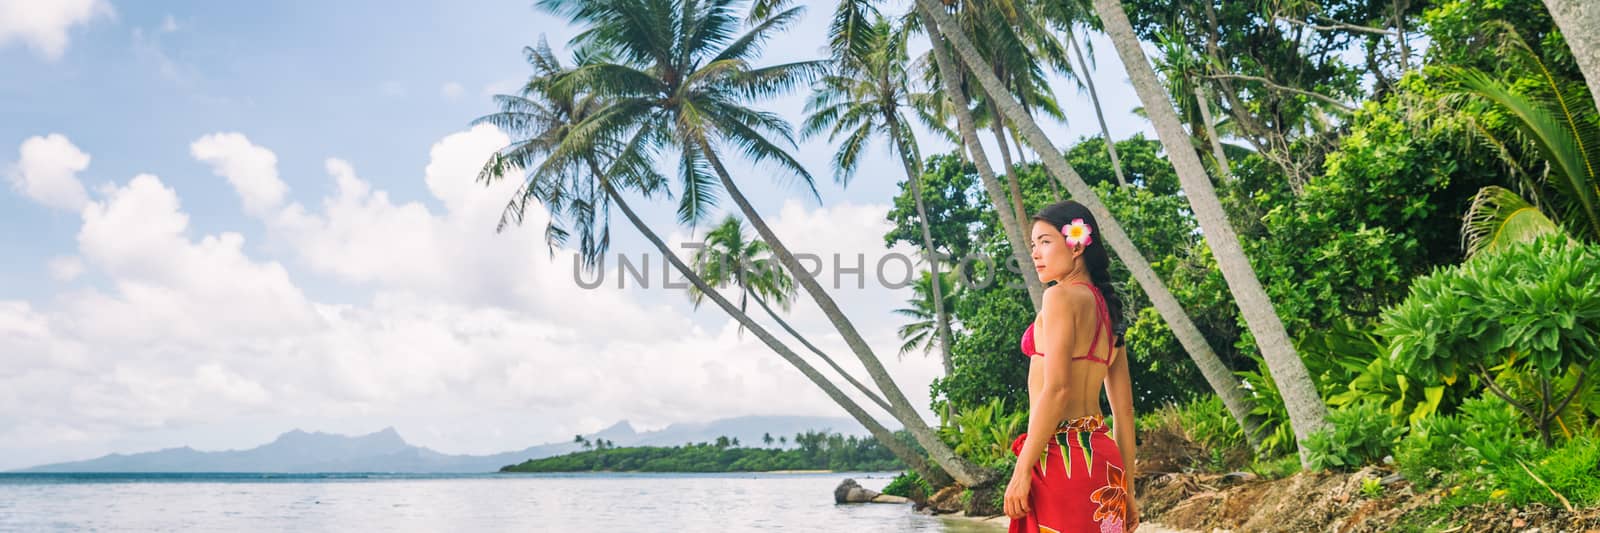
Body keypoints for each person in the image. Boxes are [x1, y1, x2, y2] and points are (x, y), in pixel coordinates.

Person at [1007, 200, 1139, 533]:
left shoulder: (1058, 297)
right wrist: (1129, 492)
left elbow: (1058, 389)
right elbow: (1124, 412)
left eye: (1045, 242)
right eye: (1033, 245)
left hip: (1061, 458)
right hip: (1105, 462)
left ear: (1077, 244)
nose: (1036, 253)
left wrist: (1021, 471)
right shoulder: (1110, 312)